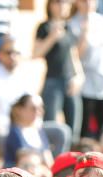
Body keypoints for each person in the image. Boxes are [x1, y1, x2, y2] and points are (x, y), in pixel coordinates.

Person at [68, 0, 103, 141]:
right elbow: (75, 55)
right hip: (85, 83)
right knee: (84, 128)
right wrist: (85, 32)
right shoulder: (72, 24)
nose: (89, 4)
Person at [34, 0, 84, 144]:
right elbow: (36, 53)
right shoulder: (44, 27)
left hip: (70, 80)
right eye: (58, 2)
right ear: (51, 5)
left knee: (74, 125)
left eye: (66, 3)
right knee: (50, 123)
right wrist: (52, 37)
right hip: (52, 81)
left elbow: (74, 56)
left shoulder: (70, 27)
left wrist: (79, 76)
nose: (62, 6)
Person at [4, 94, 53, 168]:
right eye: (33, 108)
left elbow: (49, 161)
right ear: (20, 110)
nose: (38, 112)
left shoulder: (39, 131)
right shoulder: (15, 132)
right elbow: (26, 163)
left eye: (41, 108)